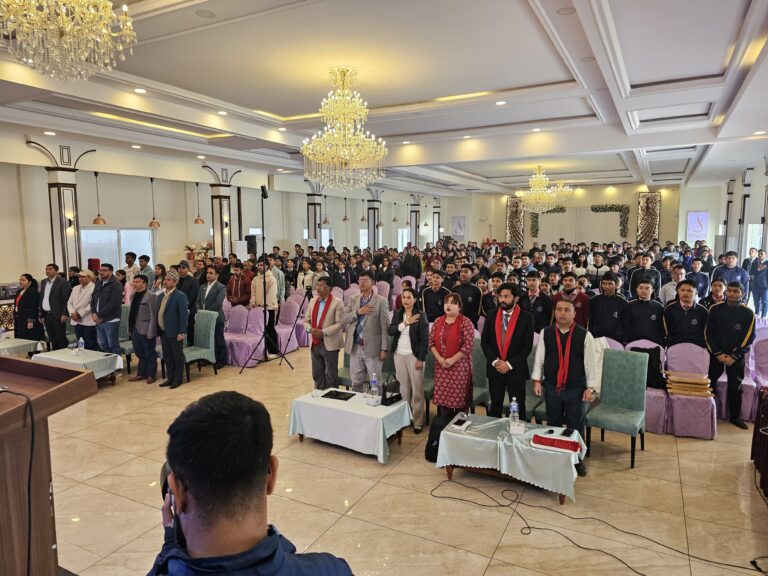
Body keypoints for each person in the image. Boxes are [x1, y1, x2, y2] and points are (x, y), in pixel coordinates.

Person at [148, 391, 352, 575]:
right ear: (271, 475)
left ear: (177, 493)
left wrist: (170, 544)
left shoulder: (165, 567)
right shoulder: (333, 570)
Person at [532, 299, 598, 477]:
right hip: (552, 387)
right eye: (559, 309)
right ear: (554, 312)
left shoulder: (585, 335)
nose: (562, 313)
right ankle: (555, 456)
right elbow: (539, 358)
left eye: (567, 310)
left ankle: (577, 459)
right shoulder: (546, 332)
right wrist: (537, 380)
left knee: (575, 425)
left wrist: (590, 388)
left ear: (574, 314)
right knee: (553, 422)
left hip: (576, 389)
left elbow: (591, 364)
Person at [705, 282, 755, 430]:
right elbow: (708, 333)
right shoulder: (715, 309)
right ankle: (709, 412)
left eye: (736, 291)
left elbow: (748, 338)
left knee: (735, 386)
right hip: (717, 355)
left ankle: (735, 417)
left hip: (736, 357)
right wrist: (718, 354)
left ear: (742, 294)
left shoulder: (748, 313)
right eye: (730, 291)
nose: (732, 294)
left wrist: (734, 356)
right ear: (726, 292)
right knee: (711, 383)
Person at [481, 283, 534, 419]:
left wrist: (509, 364)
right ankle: (495, 431)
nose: (502, 300)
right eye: (500, 296)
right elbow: (485, 342)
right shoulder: (491, 315)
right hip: (495, 369)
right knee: (495, 405)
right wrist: (495, 362)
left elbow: (527, 347)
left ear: (516, 298)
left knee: (517, 407)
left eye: (506, 296)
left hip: (516, 369)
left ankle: (517, 431)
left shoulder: (526, 317)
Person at [388, 287, 429, 432]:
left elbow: (425, 340)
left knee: (417, 389)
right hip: (398, 354)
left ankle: (417, 421)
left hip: (414, 356)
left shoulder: (421, 316)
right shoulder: (398, 313)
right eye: (403, 297)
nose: (405, 300)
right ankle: (405, 419)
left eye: (409, 297)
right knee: (403, 389)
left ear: (415, 299)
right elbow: (391, 331)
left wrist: (420, 359)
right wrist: (405, 323)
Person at [342, 271, 389, 392]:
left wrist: (384, 349)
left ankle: (376, 402)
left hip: (373, 348)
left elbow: (385, 327)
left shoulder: (381, 301)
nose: (362, 283)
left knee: (375, 382)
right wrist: (358, 312)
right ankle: (358, 402)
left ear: (373, 282)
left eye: (365, 280)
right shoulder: (353, 299)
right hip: (355, 346)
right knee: (356, 381)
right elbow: (343, 318)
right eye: (360, 280)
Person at [429, 293, 475, 418]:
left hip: (459, 367)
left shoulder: (466, 322)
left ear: (459, 307)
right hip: (441, 366)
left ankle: (460, 424)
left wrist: (452, 360)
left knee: (459, 400)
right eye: (446, 302)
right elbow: (431, 342)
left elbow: (468, 345)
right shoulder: (438, 321)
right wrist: (439, 358)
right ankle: (445, 423)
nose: (448, 305)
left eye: (453, 303)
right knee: (444, 399)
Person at [304, 277, 344, 390]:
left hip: (330, 342)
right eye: (317, 285)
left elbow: (340, 324)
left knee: (331, 374)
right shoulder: (313, 301)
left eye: (322, 285)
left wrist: (323, 332)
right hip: (315, 342)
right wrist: (310, 329)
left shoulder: (337, 302)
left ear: (330, 288)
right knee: (317, 373)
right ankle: (320, 394)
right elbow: (306, 320)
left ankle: (332, 396)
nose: (318, 288)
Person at [155, 268, 189, 389]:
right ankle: (170, 378)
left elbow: (184, 316)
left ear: (175, 282)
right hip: (163, 331)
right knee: (167, 356)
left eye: (169, 280)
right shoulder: (160, 296)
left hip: (175, 332)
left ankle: (178, 379)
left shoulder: (180, 296)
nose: (165, 281)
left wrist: (182, 332)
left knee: (177, 356)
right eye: (165, 279)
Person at [127, 274, 158, 384]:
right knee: (139, 352)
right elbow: (131, 312)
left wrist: (151, 331)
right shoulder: (133, 294)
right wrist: (129, 328)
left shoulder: (151, 295)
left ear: (144, 283)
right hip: (134, 328)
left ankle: (151, 375)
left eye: (137, 282)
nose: (134, 284)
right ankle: (141, 374)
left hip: (146, 329)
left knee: (149, 353)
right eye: (134, 281)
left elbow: (153, 315)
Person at [196, 266, 227, 369]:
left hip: (216, 318)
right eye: (207, 273)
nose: (208, 275)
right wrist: (200, 311)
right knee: (207, 340)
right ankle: (208, 358)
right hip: (204, 318)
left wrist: (204, 313)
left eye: (211, 273)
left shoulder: (221, 287)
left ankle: (221, 360)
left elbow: (218, 304)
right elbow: (197, 301)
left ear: (216, 275)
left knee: (218, 340)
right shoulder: (202, 287)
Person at [662, 279, 708, 348]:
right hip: (674, 347)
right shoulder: (669, 309)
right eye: (682, 290)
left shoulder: (703, 311)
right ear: (678, 291)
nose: (685, 293)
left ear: (696, 292)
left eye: (689, 290)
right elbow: (666, 330)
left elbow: (705, 332)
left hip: (697, 347)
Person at [91, 263, 124, 355]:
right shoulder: (98, 283)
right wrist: (93, 313)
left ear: (111, 271)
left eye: (104, 270)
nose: (101, 272)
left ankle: (117, 362)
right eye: (100, 270)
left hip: (111, 319)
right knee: (103, 344)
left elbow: (113, 303)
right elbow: (93, 300)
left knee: (112, 344)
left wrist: (98, 315)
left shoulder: (116, 284)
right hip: (99, 319)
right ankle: (109, 362)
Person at [250, 258, 280, 359]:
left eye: (262, 265)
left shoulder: (272, 279)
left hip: (269, 308)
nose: (260, 267)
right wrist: (253, 302)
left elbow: (271, 295)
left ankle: (274, 351)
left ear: (267, 266)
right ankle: (263, 350)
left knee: (270, 328)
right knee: (260, 330)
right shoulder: (255, 279)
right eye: (259, 265)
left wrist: (262, 304)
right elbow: (253, 293)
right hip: (257, 308)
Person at [621, 280, 665, 345]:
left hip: (653, 343)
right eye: (641, 288)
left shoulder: (659, 307)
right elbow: (625, 324)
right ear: (636, 289)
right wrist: (625, 339)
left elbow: (661, 328)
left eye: (647, 288)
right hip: (632, 342)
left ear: (652, 290)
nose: (643, 290)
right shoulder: (629, 305)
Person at [39, 263, 71, 350]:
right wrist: (41, 313)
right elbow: (42, 298)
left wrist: (65, 313)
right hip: (46, 314)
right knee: (52, 337)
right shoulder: (43, 282)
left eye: (50, 269)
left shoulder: (62, 282)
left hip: (58, 314)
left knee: (60, 337)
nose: (47, 271)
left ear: (56, 271)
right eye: (46, 269)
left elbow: (66, 299)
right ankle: (55, 354)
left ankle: (63, 354)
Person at [588, 272, 627, 342]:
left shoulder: (623, 303)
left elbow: (625, 324)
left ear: (616, 285)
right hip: (597, 338)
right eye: (604, 283)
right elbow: (591, 322)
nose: (606, 286)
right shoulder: (594, 301)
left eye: (610, 284)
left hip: (616, 340)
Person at [66, 269, 97, 351]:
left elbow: (92, 304)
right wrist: (72, 313)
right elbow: (69, 302)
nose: (80, 278)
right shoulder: (75, 288)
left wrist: (79, 314)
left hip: (87, 320)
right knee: (80, 343)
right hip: (75, 320)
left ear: (90, 277)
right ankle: (82, 357)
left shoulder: (94, 288)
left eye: (83, 277)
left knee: (90, 343)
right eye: (79, 277)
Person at [13, 274, 43, 342]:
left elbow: (34, 307)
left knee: (30, 337)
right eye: (20, 280)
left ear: (29, 282)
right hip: (20, 317)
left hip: (28, 317)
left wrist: (30, 321)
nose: (21, 281)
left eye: (23, 280)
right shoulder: (19, 291)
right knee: (22, 337)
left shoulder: (33, 292)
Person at [177, 261, 199, 346]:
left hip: (189, 309)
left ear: (188, 269)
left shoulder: (193, 280)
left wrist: (183, 307)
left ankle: (190, 345)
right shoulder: (176, 280)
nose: (181, 270)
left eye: (183, 268)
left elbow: (193, 297)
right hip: (177, 309)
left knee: (189, 329)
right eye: (179, 268)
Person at [453, 264, 482, 328]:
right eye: (461, 271)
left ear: (471, 275)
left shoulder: (476, 290)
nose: (463, 274)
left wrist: (471, 321)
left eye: (466, 272)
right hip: (456, 322)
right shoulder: (455, 289)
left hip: (471, 323)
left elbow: (478, 310)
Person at [750, 249, 767, 318]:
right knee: (756, 301)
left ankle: (764, 316)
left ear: (765, 255)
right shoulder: (754, 262)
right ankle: (757, 314)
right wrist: (758, 269)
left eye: (761, 254)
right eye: (759, 254)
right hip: (755, 285)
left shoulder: (767, 263)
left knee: (765, 302)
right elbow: (751, 272)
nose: (760, 255)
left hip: (764, 286)